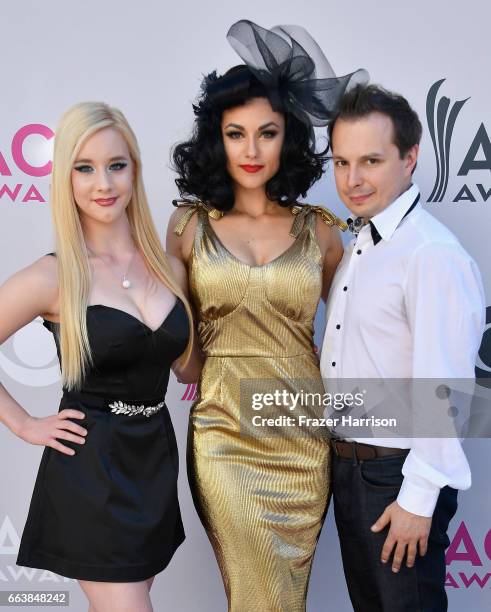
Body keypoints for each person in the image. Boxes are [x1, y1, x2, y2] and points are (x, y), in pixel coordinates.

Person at [167, 20, 366, 612]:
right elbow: (178, 354)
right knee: (253, 593)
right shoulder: (187, 227)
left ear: (290, 139)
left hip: (303, 435)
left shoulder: (324, 233)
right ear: (216, 139)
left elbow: (354, 341)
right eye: (235, 134)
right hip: (224, 434)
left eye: (267, 133)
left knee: (285, 598)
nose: (251, 151)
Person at [0, 102, 199, 612]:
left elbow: (187, 369)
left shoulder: (170, 267)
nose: (103, 183)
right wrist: (23, 423)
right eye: (84, 168)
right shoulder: (55, 276)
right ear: (65, 178)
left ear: (135, 169)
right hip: (89, 470)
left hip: (153, 459)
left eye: (116, 164)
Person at [320, 84, 485, 611]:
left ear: (410, 158)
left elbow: (446, 391)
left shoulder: (429, 253)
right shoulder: (365, 244)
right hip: (352, 469)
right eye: (342, 162)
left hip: (400, 476)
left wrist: (417, 498)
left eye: (371, 160)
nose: (352, 179)